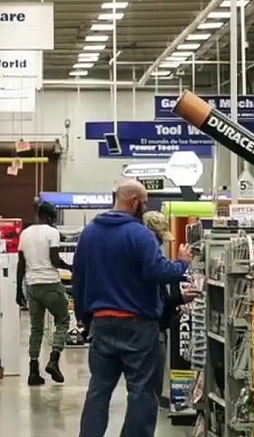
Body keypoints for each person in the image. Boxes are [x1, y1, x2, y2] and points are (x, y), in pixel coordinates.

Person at [74, 180, 192, 437]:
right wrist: (182, 265)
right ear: (134, 201)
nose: (145, 207)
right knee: (141, 392)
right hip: (139, 326)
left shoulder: (90, 232)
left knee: (99, 390)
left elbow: (79, 278)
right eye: (145, 202)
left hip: (101, 324)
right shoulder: (140, 235)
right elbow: (158, 271)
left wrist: (83, 318)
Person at [143, 211, 199, 410]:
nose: (160, 243)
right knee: (150, 378)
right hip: (150, 326)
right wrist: (182, 263)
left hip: (151, 323)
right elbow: (157, 289)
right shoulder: (148, 255)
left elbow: (159, 296)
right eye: (159, 238)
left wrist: (180, 298)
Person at [16, 200, 72, 386]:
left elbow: (21, 264)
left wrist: (18, 290)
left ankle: (33, 371)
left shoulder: (25, 233)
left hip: (32, 286)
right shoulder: (52, 232)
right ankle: (54, 359)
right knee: (63, 320)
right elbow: (55, 260)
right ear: (49, 217)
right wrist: (70, 267)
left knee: (36, 328)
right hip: (50, 284)